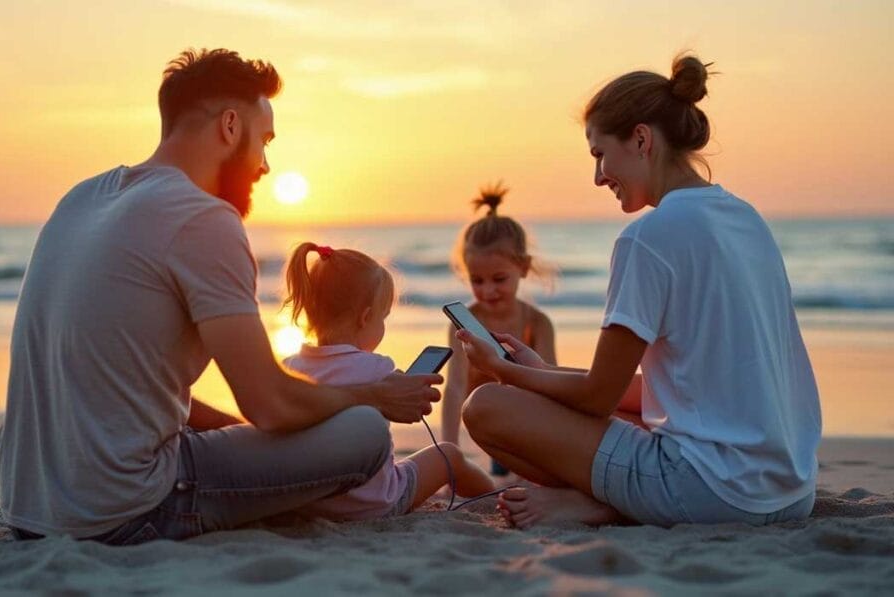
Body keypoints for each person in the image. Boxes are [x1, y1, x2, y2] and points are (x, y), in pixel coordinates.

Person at [0, 48, 441, 545]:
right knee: (365, 432)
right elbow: (269, 404)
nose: (266, 166)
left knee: (263, 433)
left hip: (29, 506)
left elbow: (121, 384)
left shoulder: (81, 199)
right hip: (125, 510)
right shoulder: (202, 217)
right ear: (231, 126)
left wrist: (243, 441)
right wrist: (374, 395)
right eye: (264, 141)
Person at [456, 54, 821, 528]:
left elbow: (596, 398)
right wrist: (545, 372)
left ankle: (604, 507)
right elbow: (680, 389)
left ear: (642, 139)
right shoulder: (745, 218)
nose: (598, 176)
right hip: (791, 492)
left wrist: (502, 371)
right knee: (613, 413)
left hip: (713, 491)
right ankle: (608, 501)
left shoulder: (648, 238)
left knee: (486, 407)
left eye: (599, 155)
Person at [281, 242, 494, 519]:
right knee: (449, 455)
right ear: (366, 318)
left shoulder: (288, 369)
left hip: (309, 501)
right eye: (383, 319)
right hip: (374, 501)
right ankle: (494, 497)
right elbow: (409, 409)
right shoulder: (378, 369)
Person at [441, 183, 557, 477]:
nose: (488, 290)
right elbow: (454, 388)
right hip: (485, 422)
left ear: (524, 267)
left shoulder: (537, 323)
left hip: (526, 423)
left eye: (499, 279)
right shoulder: (464, 323)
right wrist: (449, 455)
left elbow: (551, 384)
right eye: (477, 281)